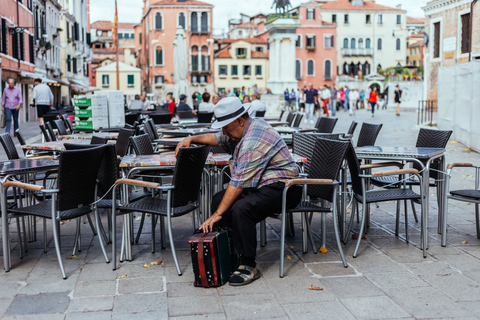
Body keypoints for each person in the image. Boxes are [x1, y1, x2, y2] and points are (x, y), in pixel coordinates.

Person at [175, 97, 302, 286]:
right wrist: (191, 138)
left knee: (242, 208)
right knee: (220, 200)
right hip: (261, 184)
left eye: (225, 127)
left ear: (240, 121)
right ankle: (231, 254)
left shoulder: (253, 140)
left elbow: (238, 184)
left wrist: (216, 215)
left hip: (285, 187)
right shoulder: (240, 129)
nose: (223, 131)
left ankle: (248, 265)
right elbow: (216, 138)